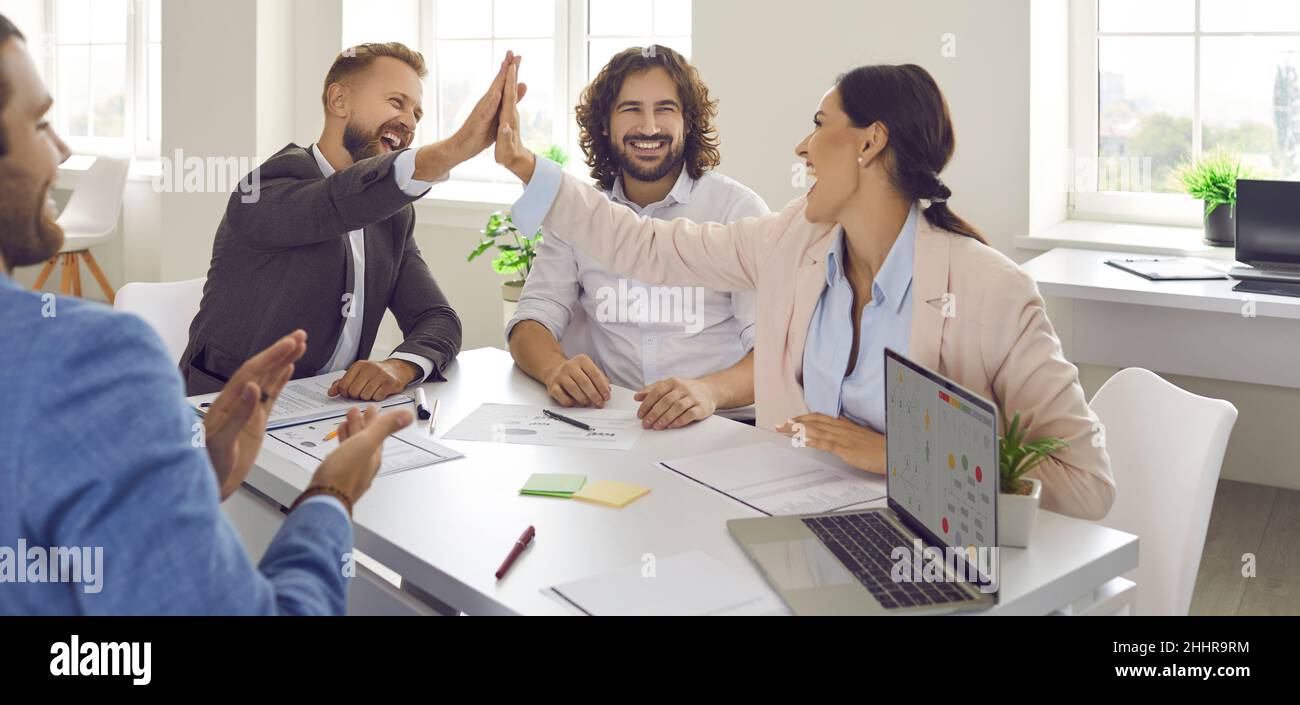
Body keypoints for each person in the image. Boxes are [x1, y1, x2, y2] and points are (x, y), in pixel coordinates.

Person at [495, 59, 1115, 520]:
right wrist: (527, 165)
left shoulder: (992, 291)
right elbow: (649, 246)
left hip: (928, 542)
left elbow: (1084, 486)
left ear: (870, 142)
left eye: (820, 125)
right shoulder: (794, 239)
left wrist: (902, 454)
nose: (802, 147)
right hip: (793, 521)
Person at [1, 14, 414, 614]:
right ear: (339, 99)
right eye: (39, 124)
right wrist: (330, 494)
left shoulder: (392, 217)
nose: (61, 150)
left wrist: (189, 475)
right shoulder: (92, 360)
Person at [180, 44, 523, 401]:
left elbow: (437, 318)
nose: (409, 122)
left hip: (323, 413)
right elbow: (334, 204)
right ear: (338, 100)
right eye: (396, 102)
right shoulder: (266, 188)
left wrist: (398, 366)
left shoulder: (393, 215)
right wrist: (455, 149)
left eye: (417, 114)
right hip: (221, 412)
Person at [507, 46, 769, 430]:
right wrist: (555, 369)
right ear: (604, 125)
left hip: (721, 424)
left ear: (689, 122)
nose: (648, 127)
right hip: (609, 423)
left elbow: (773, 351)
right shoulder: (577, 212)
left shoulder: (738, 210)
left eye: (665, 108)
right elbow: (532, 319)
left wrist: (709, 391)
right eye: (631, 109)